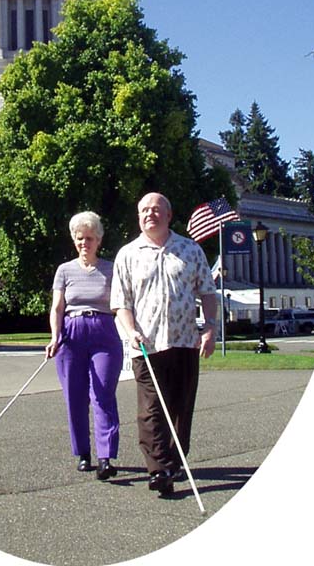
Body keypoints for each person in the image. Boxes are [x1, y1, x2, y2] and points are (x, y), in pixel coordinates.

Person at [110, 192, 217, 495]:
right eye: (144, 210)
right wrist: (131, 331)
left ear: (169, 215)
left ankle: (174, 460)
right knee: (151, 409)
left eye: (156, 210)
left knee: (181, 407)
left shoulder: (190, 250)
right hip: (146, 346)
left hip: (185, 342)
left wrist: (210, 328)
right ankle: (158, 469)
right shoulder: (128, 254)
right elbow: (121, 302)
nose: (150, 215)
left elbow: (208, 292)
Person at [46, 211, 123, 480]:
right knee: (74, 395)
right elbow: (57, 307)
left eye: (89, 238)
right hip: (71, 332)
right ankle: (83, 453)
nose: (84, 243)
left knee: (102, 393)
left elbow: (122, 304)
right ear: (74, 240)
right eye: (80, 238)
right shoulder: (64, 271)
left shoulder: (112, 269)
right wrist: (55, 335)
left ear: (98, 240)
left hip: (103, 330)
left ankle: (106, 457)